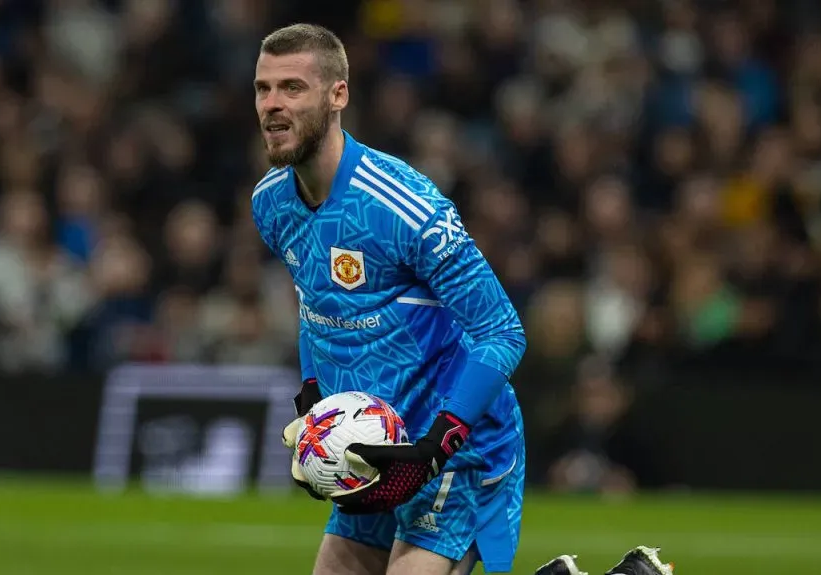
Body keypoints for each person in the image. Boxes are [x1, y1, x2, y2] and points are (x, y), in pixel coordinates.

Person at [250, 23, 674, 575]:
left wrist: (433, 449)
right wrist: (313, 399)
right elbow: (316, 306)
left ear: (338, 95)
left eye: (292, 87)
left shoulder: (402, 206)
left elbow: (503, 332)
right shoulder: (271, 203)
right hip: (375, 447)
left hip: (457, 448)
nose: (273, 104)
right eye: (263, 89)